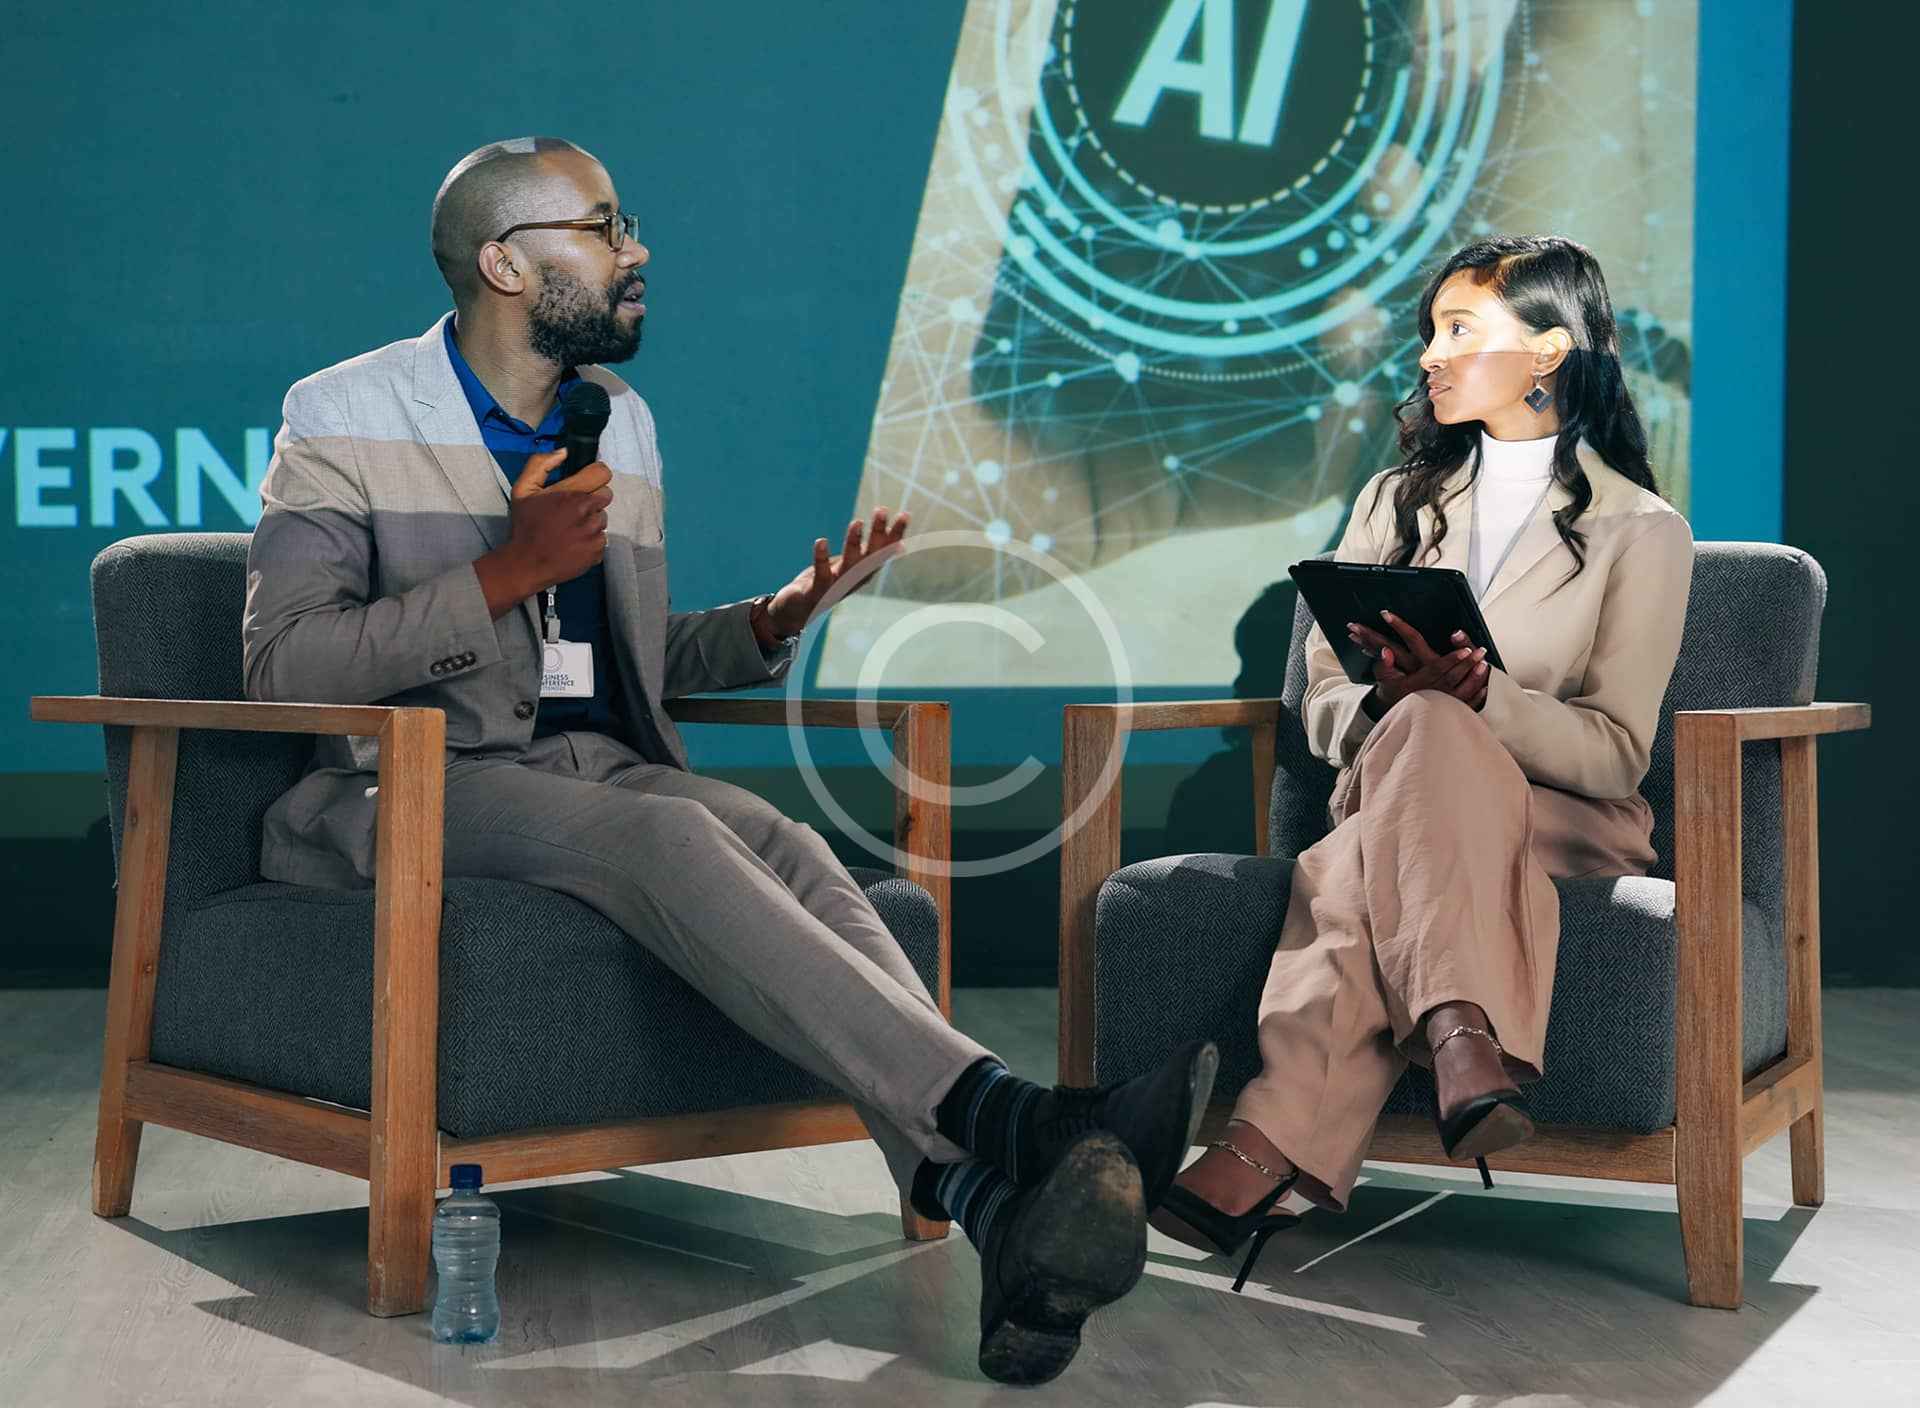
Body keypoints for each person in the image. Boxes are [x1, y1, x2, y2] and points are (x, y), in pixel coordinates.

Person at [241, 134, 1218, 1386]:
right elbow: (284, 666)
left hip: (592, 770)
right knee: (674, 831)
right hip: (417, 783)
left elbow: (624, 656)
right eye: (604, 228)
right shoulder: (345, 414)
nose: (636, 249)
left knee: (795, 847)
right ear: (505, 263)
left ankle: (991, 1207)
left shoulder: (619, 422)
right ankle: (1019, 1114)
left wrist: (770, 621)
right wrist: (504, 572)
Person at [1150, 235, 1695, 1286]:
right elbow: (1320, 697)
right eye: (1429, 333)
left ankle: (1270, 1143)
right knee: (1424, 737)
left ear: (1547, 351)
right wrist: (1392, 709)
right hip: (1394, 787)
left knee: (1361, 852)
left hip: (1562, 818)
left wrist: (1480, 700)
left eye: (1459, 330)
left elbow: (1618, 754)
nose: (1430, 356)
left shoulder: (1642, 531)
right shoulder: (1390, 502)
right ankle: (1458, 1030)